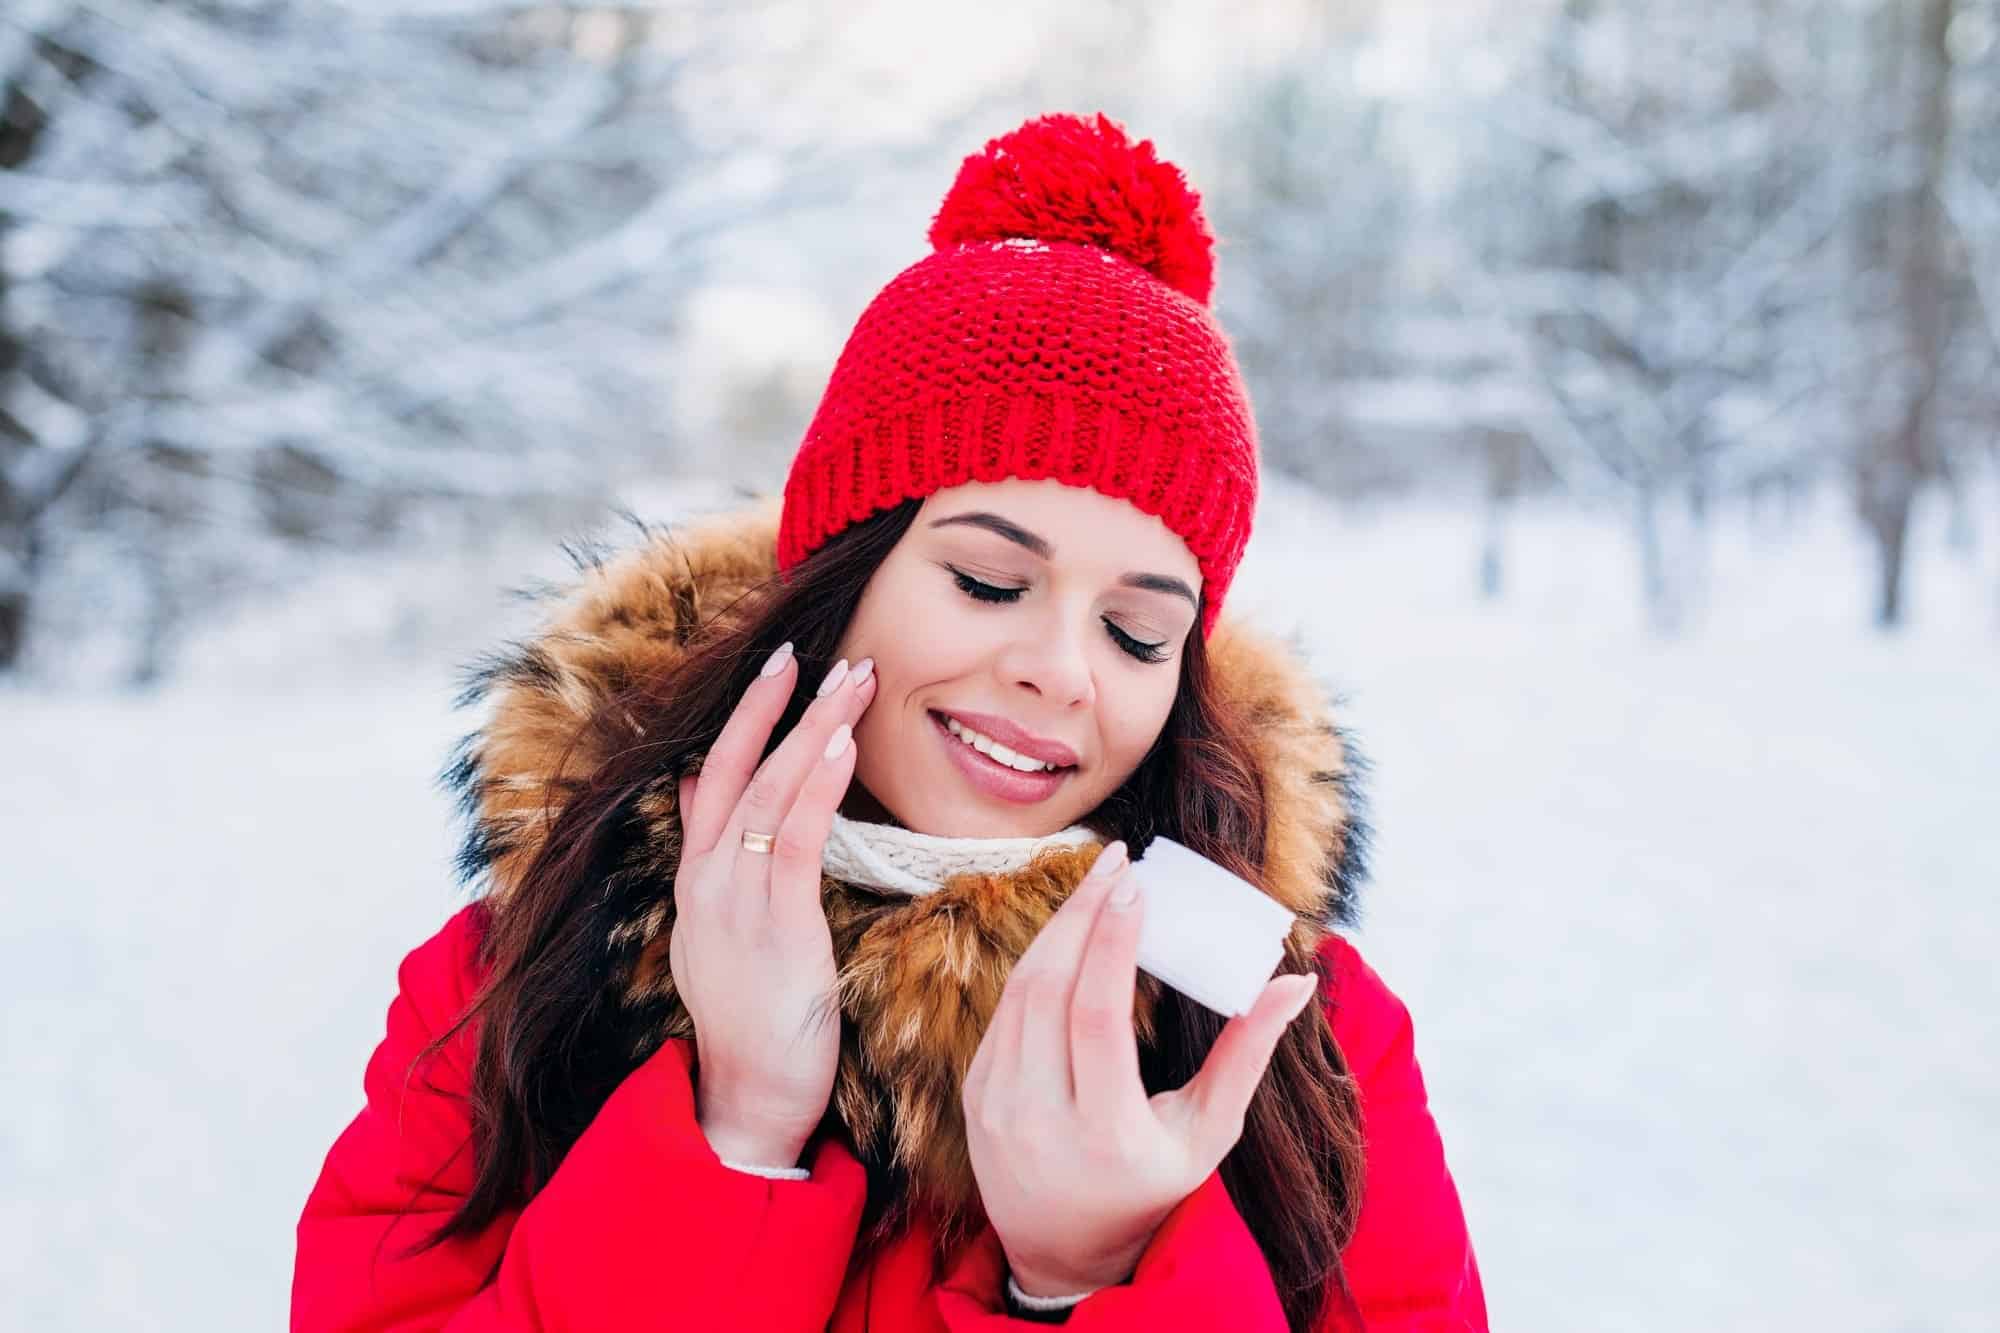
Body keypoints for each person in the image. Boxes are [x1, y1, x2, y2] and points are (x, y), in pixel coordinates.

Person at [291, 110, 1487, 1332]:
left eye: (1138, 634)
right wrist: (736, 1133)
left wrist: (1084, 1280)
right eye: (986, 582)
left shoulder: (1299, 1036)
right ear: (839, 579)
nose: (1061, 673)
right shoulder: (522, 969)